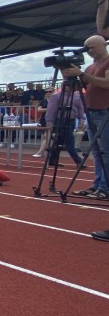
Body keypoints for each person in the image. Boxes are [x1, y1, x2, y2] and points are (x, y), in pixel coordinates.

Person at [62, 35, 109, 201]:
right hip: (92, 111)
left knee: (106, 152)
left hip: (105, 111)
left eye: (92, 47)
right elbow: (83, 86)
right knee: (96, 152)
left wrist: (81, 73)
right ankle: (98, 185)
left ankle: (105, 187)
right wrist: (69, 76)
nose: (89, 51)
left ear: (103, 45)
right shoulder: (90, 67)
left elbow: (106, 83)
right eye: (87, 48)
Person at [41, 80, 85, 168]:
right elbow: (51, 110)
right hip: (60, 120)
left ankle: (52, 159)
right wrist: (49, 123)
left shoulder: (76, 96)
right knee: (69, 140)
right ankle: (78, 161)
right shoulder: (56, 97)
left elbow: (80, 108)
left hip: (71, 120)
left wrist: (81, 119)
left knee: (58, 141)